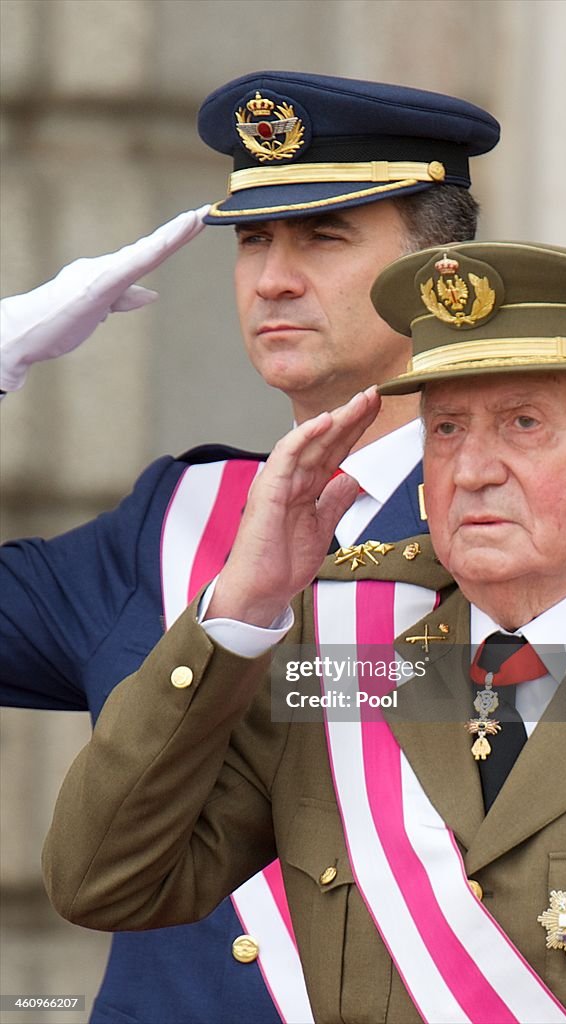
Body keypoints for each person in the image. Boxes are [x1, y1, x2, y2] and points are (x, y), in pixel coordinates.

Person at [42, 240, 566, 1024]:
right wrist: (240, 608)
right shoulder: (342, 662)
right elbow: (104, 879)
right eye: (445, 429)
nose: (473, 468)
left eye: (522, 423)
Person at [1, 70, 506, 1024]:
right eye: (253, 240)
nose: (273, 277)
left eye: (324, 236)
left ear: (440, 277)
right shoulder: (170, 524)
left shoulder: (536, 531)